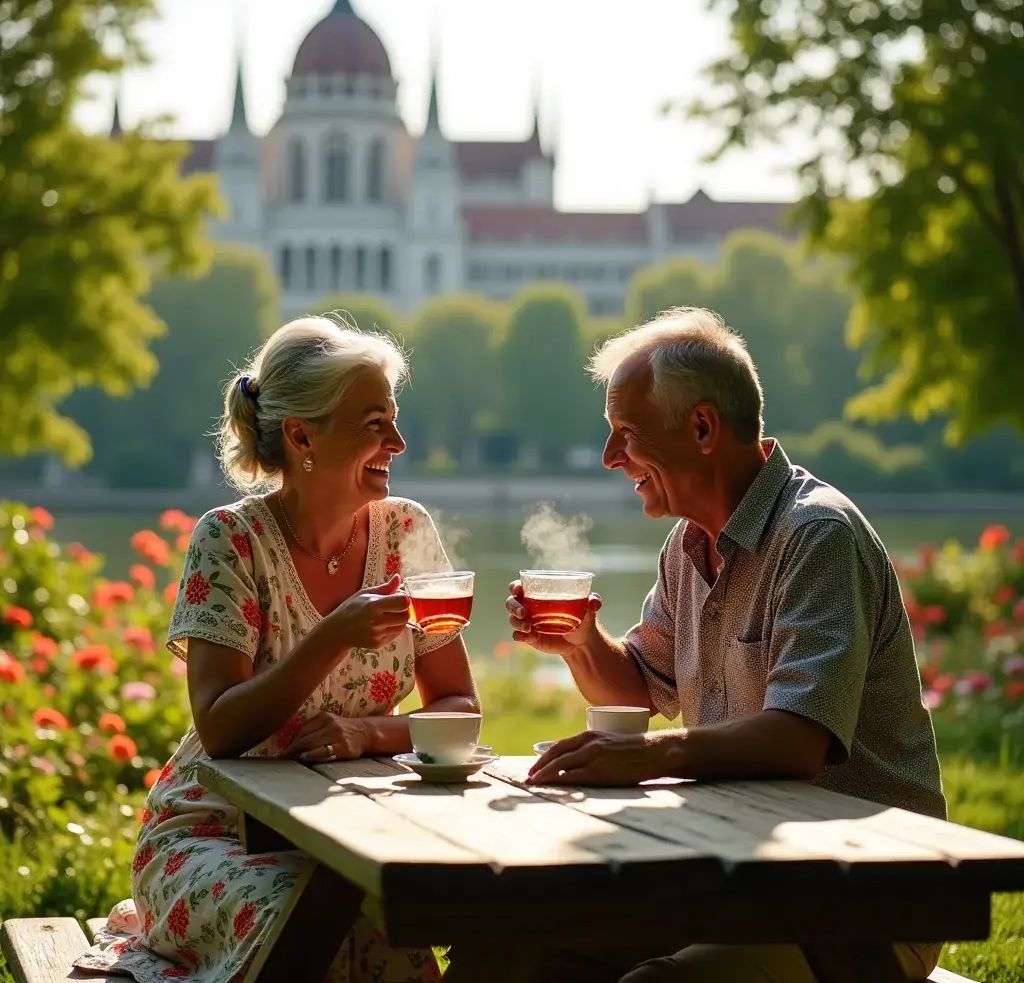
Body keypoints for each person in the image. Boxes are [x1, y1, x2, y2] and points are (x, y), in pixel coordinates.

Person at [505, 307, 945, 983]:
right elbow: (639, 687)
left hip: (861, 904)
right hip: (734, 877)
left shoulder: (816, 535)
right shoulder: (687, 545)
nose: (609, 459)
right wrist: (578, 642)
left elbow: (799, 740)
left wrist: (648, 756)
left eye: (625, 434)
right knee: (512, 951)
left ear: (703, 428)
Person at [75, 316, 479, 983]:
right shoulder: (229, 539)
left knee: (380, 922)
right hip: (215, 833)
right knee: (318, 922)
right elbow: (221, 727)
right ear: (301, 436)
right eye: (374, 423)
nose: (399, 442)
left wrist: (363, 731)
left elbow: (460, 714)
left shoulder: (408, 531)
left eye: (395, 420)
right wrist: (330, 636)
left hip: (351, 838)